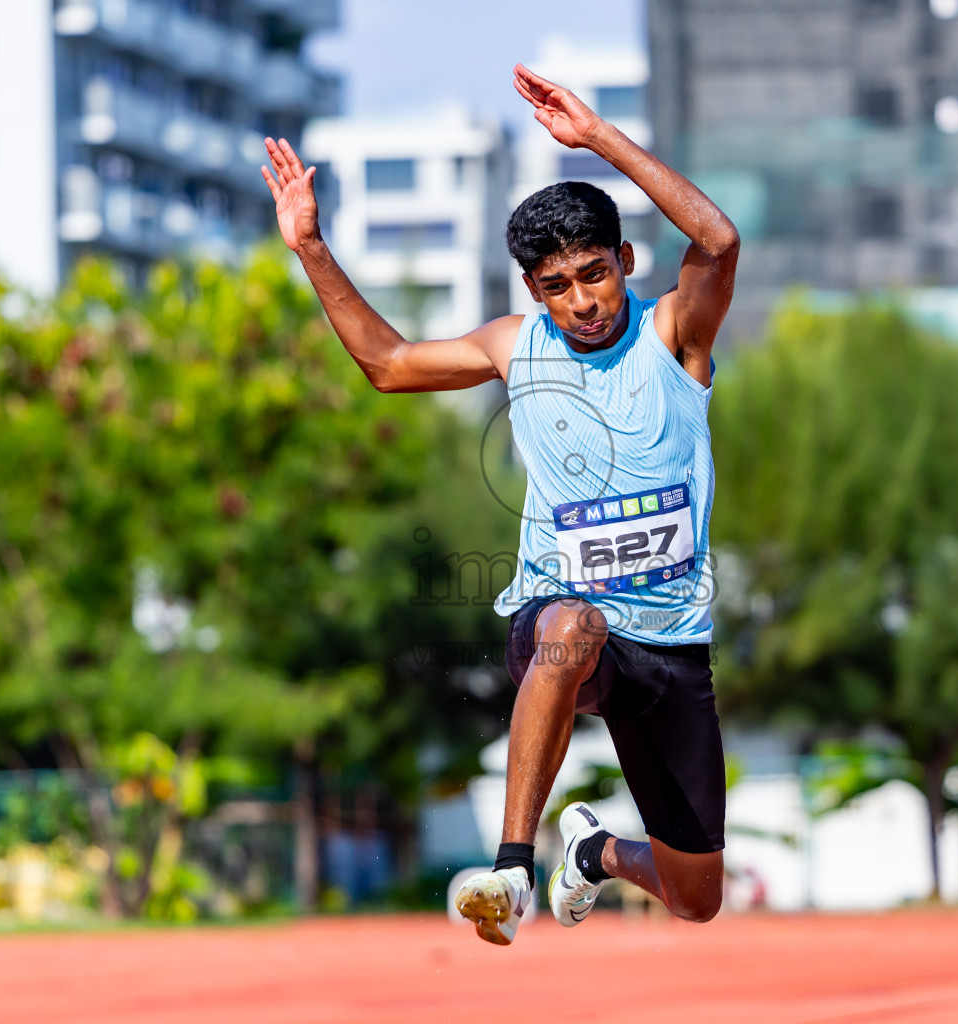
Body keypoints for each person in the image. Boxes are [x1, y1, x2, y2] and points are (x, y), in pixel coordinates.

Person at [260, 63, 739, 946]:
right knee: (573, 625)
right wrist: (312, 248)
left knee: (697, 896)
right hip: (562, 624)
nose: (583, 302)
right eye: (557, 287)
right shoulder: (513, 347)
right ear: (531, 291)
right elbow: (389, 366)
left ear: (624, 261)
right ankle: (512, 867)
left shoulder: (676, 334)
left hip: (672, 646)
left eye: (595, 275)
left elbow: (716, 240)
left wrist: (597, 137)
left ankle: (592, 854)